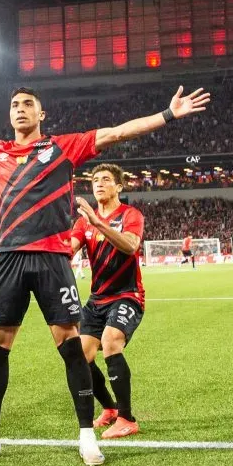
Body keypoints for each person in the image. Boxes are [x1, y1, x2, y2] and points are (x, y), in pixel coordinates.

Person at [0, 84, 209, 466]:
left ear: (41, 114)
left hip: (51, 259)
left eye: (28, 104)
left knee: (70, 344)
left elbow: (117, 132)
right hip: (7, 259)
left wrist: (168, 114)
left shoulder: (64, 147)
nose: (20, 109)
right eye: (14, 104)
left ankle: (85, 436)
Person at [70, 163, 146, 439]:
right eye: (94, 181)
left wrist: (97, 222)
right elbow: (70, 248)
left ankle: (127, 418)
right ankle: (110, 409)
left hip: (127, 295)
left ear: (119, 186)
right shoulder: (83, 222)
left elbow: (130, 246)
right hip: (97, 299)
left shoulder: (130, 215)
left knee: (111, 341)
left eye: (105, 180)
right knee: (81, 356)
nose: (99, 184)